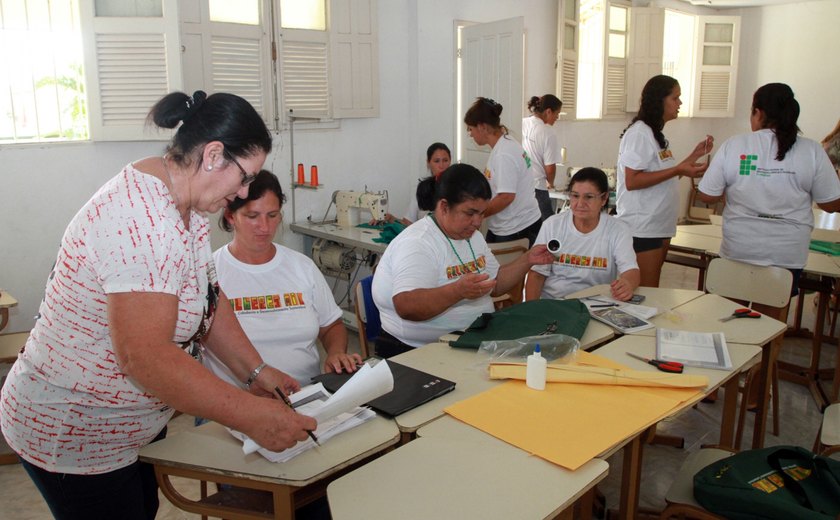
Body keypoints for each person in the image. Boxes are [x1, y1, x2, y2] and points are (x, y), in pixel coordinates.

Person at [0, 91, 316, 520]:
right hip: (77, 430)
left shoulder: (185, 204)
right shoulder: (142, 220)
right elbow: (144, 357)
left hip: (127, 427)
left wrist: (255, 371)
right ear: (213, 155)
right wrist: (251, 416)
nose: (244, 192)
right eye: (244, 177)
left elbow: (209, 299)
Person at [371, 163, 554, 357]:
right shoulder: (418, 243)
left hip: (470, 341)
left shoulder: (472, 236)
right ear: (443, 207)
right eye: (470, 213)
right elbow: (407, 306)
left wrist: (527, 260)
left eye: (482, 213)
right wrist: (457, 291)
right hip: (416, 351)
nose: (478, 222)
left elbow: (495, 283)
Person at [203, 170, 362, 388]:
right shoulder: (209, 274)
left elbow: (331, 324)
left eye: (272, 215)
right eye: (252, 216)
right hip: (237, 402)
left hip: (306, 394)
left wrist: (335, 353)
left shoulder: (301, 266)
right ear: (231, 216)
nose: (265, 227)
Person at [698, 83, 840, 298]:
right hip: (787, 252)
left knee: (730, 316)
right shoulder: (811, 151)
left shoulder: (734, 145)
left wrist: (737, 190)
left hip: (739, 247)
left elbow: (707, 195)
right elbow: (830, 204)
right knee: (771, 321)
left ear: (758, 112)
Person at [616, 75, 713, 287]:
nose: (680, 104)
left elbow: (666, 175)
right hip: (643, 226)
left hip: (659, 224)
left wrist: (693, 156)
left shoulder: (655, 134)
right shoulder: (639, 134)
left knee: (653, 287)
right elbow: (632, 180)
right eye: (675, 98)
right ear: (660, 100)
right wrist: (678, 169)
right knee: (645, 290)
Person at [525, 167, 639, 301]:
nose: (580, 204)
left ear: (604, 198)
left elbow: (631, 271)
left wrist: (627, 284)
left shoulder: (618, 230)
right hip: (555, 304)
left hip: (598, 305)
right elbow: (537, 274)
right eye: (575, 196)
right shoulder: (552, 225)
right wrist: (531, 310)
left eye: (589, 197)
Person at [464, 97, 543, 247]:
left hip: (516, 228)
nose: (470, 134)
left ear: (482, 127)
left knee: (499, 269)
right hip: (509, 225)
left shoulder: (504, 154)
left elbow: (506, 197)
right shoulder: (506, 143)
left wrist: (478, 214)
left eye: (471, 129)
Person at [381, 143, 452, 225]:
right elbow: (408, 224)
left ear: (450, 161)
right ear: (428, 163)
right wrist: (390, 218)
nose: (441, 166)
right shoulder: (423, 190)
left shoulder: (459, 189)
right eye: (436, 161)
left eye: (445, 160)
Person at [522, 94, 564, 220]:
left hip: (521, 185)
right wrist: (550, 183)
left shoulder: (522, 122)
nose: (557, 118)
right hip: (538, 188)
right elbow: (550, 168)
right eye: (557, 114)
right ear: (548, 111)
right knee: (546, 226)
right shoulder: (548, 133)